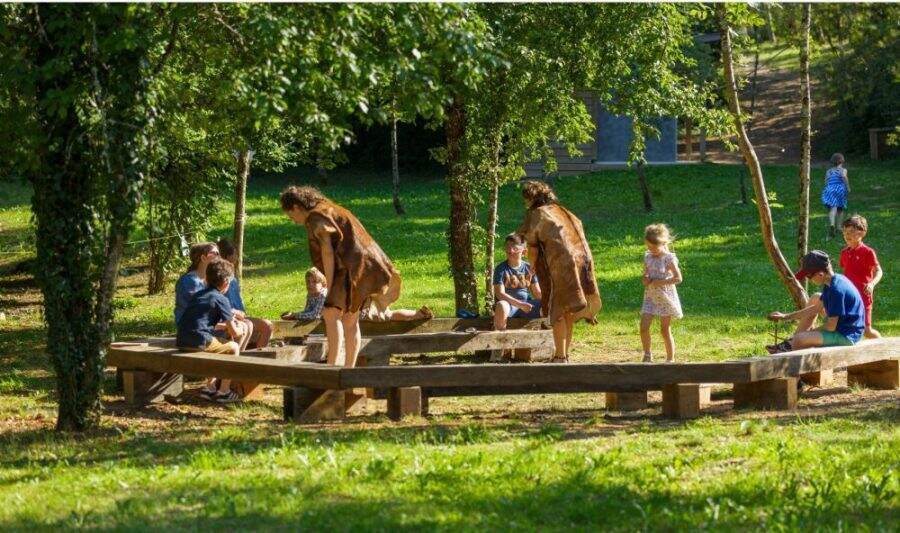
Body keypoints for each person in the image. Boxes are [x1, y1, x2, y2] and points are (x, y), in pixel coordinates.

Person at [280, 185, 401, 368]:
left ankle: (332, 368)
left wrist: (328, 283)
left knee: (330, 313)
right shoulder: (328, 207)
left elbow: (327, 253)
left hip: (350, 267)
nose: (294, 221)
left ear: (296, 207)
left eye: (291, 216)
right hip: (365, 265)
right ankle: (348, 370)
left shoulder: (316, 217)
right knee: (350, 319)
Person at [518, 180, 601, 363]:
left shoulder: (537, 214)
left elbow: (532, 246)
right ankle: (565, 354)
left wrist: (532, 266)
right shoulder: (562, 211)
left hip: (562, 265)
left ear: (531, 198)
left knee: (559, 308)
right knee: (569, 309)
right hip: (583, 261)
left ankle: (560, 356)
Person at [766, 250, 865, 354]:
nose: (808, 279)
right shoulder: (832, 281)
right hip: (842, 326)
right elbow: (816, 308)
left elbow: (831, 327)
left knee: (800, 339)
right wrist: (785, 316)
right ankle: (791, 343)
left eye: (809, 276)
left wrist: (807, 335)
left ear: (820, 274)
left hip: (847, 335)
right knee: (815, 298)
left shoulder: (836, 290)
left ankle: (793, 345)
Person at [176, 258, 244, 403]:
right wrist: (240, 328)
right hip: (198, 342)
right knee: (233, 347)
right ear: (226, 282)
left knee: (216, 345)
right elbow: (234, 333)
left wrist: (223, 326)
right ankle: (224, 391)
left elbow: (201, 323)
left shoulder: (198, 295)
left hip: (182, 340)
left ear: (206, 279)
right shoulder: (221, 299)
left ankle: (210, 388)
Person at [216, 238, 273, 349]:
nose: (238, 256)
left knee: (267, 326)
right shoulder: (220, 279)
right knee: (247, 325)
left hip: (239, 316)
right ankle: (239, 360)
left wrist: (241, 313)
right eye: (236, 253)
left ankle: (258, 358)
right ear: (228, 256)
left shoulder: (233, 278)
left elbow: (238, 304)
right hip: (228, 319)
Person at [639, 224, 683, 363]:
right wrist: (645, 279)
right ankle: (647, 354)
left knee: (664, 330)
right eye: (648, 247)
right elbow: (645, 274)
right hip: (650, 296)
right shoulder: (648, 256)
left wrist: (660, 282)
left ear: (663, 243)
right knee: (644, 327)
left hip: (665, 296)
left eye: (653, 247)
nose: (650, 250)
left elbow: (678, 278)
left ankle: (670, 358)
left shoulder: (668, 258)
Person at [839, 215, 882, 339]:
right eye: (845, 232)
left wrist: (872, 284)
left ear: (862, 232)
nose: (847, 235)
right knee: (847, 328)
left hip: (864, 296)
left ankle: (886, 349)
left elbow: (879, 271)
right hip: (849, 297)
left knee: (867, 330)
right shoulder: (844, 253)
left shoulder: (867, 252)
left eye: (851, 232)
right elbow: (846, 273)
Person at [492, 232, 542, 330]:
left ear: (524, 252)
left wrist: (551, 300)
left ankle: (545, 336)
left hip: (526, 305)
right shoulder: (501, 269)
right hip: (508, 306)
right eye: (507, 247)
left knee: (550, 305)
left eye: (514, 248)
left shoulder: (529, 268)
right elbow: (499, 294)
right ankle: (500, 338)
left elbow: (537, 293)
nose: (510, 251)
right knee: (501, 305)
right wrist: (520, 304)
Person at [173, 242, 219, 326]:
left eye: (218, 253)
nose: (218, 256)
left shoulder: (210, 279)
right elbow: (200, 307)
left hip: (204, 321)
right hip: (191, 326)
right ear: (203, 258)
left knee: (246, 324)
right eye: (214, 253)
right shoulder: (189, 281)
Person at [821, 153, 850, 240]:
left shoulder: (829, 171)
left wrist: (829, 187)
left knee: (832, 208)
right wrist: (848, 187)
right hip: (839, 190)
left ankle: (832, 224)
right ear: (842, 161)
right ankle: (839, 227)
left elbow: (826, 182)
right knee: (840, 209)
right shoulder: (843, 170)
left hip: (830, 190)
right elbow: (844, 177)